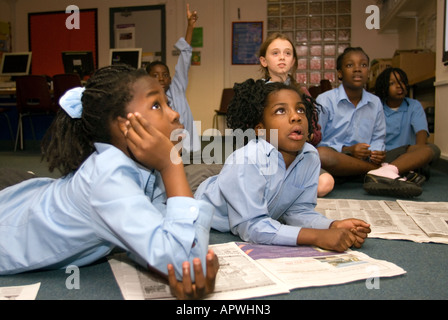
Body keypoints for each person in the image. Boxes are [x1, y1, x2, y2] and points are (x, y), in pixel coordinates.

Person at [0, 65, 218, 300]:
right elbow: (181, 254)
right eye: (156, 105)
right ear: (127, 126)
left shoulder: (141, 169)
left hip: (28, 201)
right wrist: (171, 166)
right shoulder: (109, 176)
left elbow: (175, 243)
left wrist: (178, 268)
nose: (174, 114)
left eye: (168, 103)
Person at [195, 79, 371, 252]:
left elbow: (298, 211)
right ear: (260, 129)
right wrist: (316, 236)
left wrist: (332, 225)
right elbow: (252, 226)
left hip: (250, 199)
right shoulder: (247, 160)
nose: (296, 117)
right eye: (280, 110)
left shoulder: (310, 156)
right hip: (206, 210)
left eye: (300, 109)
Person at [316, 47, 423, 198]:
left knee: (428, 150)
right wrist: (348, 149)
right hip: (339, 159)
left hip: (367, 159)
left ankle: (379, 171)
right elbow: (316, 140)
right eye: (350, 65)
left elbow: (379, 137)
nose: (358, 69)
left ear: (368, 72)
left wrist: (376, 152)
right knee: (321, 155)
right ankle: (378, 172)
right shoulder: (324, 100)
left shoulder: (375, 102)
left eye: (363, 65)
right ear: (339, 73)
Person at [258, 32, 334, 197]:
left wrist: (308, 134)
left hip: (298, 156)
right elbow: (249, 133)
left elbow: (315, 132)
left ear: (293, 61)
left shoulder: (302, 92)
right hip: (266, 157)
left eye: (287, 53)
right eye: (275, 53)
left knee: (326, 183)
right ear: (264, 61)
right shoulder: (256, 93)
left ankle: (285, 193)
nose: (282, 58)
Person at [146, 3, 201, 155]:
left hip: (189, 148)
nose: (161, 79)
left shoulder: (177, 87)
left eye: (164, 75)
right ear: (148, 79)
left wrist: (190, 26)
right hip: (166, 151)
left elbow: (185, 55)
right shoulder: (149, 101)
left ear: (170, 78)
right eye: (155, 76)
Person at [373, 67, 440, 183]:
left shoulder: (414, 105)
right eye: (392, 83)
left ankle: (396, 171)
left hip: (408, 152)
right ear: (383, 89)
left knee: (433, 149)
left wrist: (419, 152)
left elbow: (421, 134)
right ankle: (403, 171)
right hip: (386, 155)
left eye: (402, 82)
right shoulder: (377, 108)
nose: (399, 86)